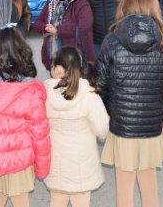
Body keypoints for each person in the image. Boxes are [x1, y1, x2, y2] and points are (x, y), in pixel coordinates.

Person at [95, 0, 163, 207]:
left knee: (124, 186)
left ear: (124, 6)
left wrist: (110, 112)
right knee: (149, 183)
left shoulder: (111, 41)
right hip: (152, 126)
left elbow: (100, 84)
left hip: (122, 124)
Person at [0, 27, 51, 207]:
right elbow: (39, 133)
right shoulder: (30, 90)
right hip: (19, 160)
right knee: (21, 201)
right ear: (22, 51)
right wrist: (42, 167)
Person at [43, 46, 109, 207]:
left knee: (57, 201)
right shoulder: (89, 95)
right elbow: (103, 129)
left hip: (54, 161)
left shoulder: (43, 93)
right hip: (82, 163)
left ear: (55, 69)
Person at [33, 0, 95, 70]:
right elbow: (37, 23)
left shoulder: (82, 5)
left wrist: (57, 31)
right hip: (52, 52)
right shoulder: (50, 3)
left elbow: (83, 27)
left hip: (74, 56)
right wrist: (46, 28)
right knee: (56, 82)